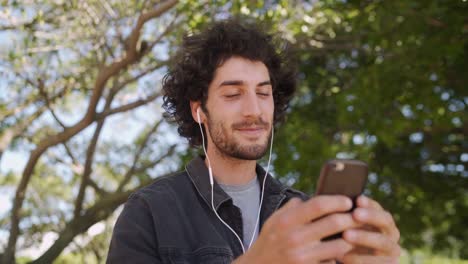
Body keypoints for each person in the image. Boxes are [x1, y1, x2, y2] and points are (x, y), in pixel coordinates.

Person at [106, 19, 400, 263]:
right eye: (233, 94)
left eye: (263, 93)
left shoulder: (307, 214)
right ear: (199, 110)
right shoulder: (150, 211)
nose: (254, 111)